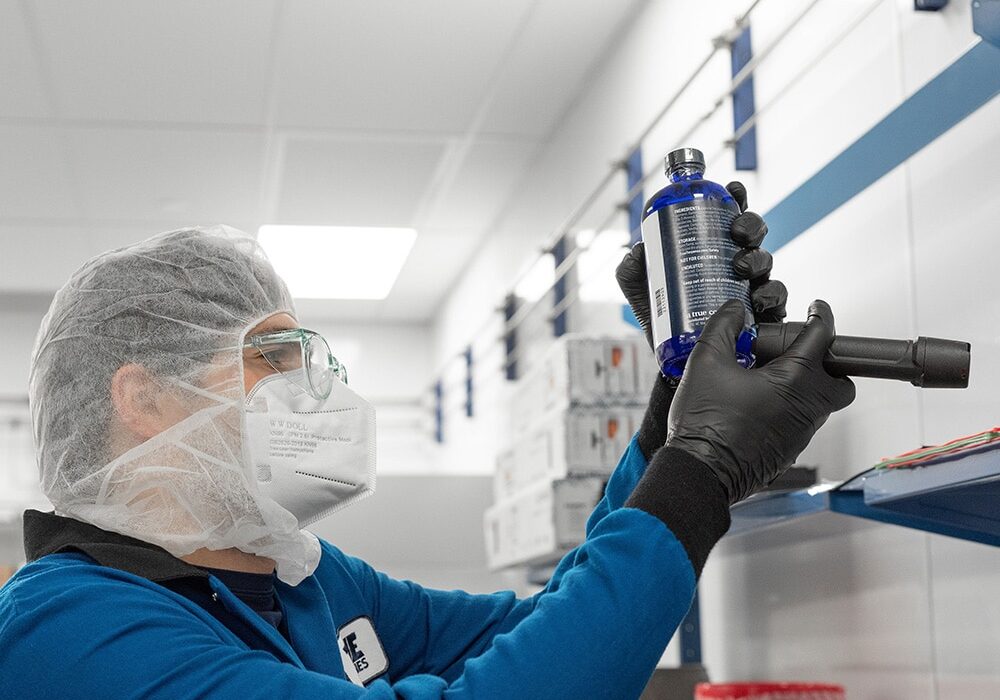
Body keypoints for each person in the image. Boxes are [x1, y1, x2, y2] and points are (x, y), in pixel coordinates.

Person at [0, 184, 854, 698]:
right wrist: (700, 469)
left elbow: (548, 636)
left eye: (311, 357)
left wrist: (672, 404)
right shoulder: (73, 632)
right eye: (273, 358)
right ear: (144, 398)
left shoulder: (301, 575)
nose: (315, 390)